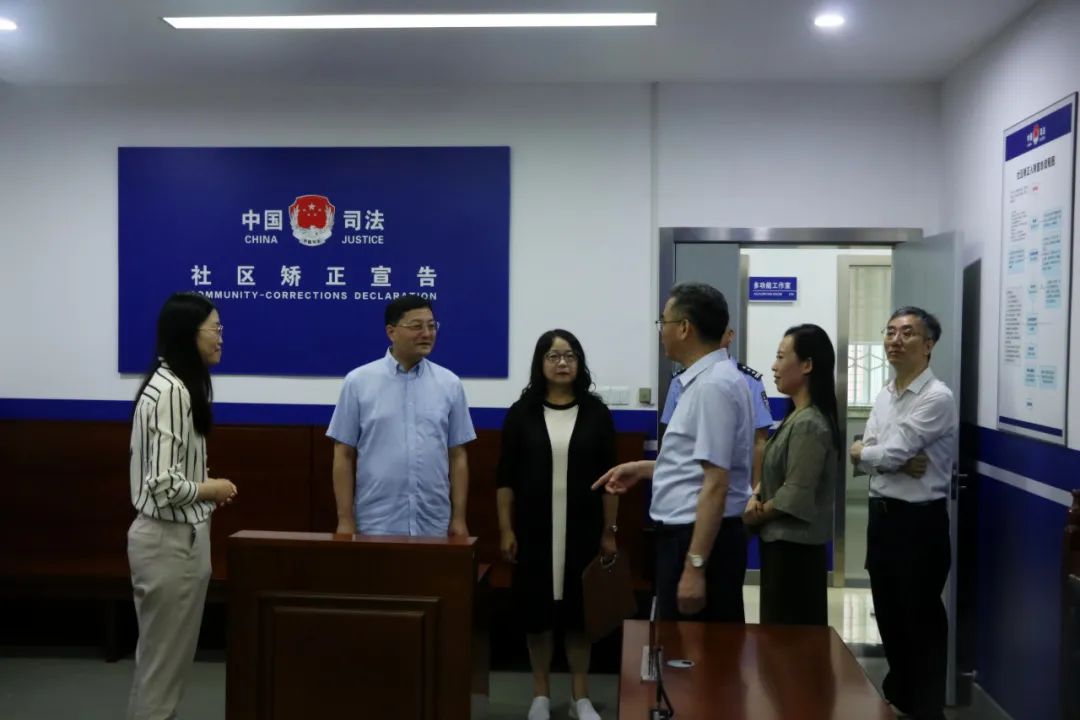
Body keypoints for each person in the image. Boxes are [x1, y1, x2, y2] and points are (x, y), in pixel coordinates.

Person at [594, 283, 753, 622]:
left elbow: (716, 483)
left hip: (697, 539)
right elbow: (695, 466)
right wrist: (641, 468)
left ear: (684, 328)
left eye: (662, 322)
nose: (660, 332)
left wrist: (695, 566)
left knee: (695, 648)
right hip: (690, 536)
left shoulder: (712, 386)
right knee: (682, 645)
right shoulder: (706, 381)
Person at [127, 292, 238, 720]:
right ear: (189, 334)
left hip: (177, 538)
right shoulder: (172, 391)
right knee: (162, 670)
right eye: (215, 328)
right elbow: (162, 484)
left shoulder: (170, 384)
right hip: (169, 543)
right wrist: (211, 488)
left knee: (161, 665)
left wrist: (204, 491)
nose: (221, 337)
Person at [496, 330, 617, 720]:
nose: (562, 363)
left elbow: (612, 480)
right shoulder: (522, 412)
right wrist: (506, 529)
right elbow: (505, 478)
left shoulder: (596, 413)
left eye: (569, 355)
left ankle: (581, 697)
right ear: (540, 363)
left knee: (580, 617)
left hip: (584, 530)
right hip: (533, 531)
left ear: (579, 362)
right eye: (553, 356)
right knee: (538, 617)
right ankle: (541, 696)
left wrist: (609, 531)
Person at [849, 306, 957, 720]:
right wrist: (875, 455)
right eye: (891, 331)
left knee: (920, 620)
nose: (895, 340)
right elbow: (872, 454)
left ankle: (928, 711)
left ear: (928, 346)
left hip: (919, 524)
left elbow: (886, 452)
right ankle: (902, 701)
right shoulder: (885, 392)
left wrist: (872, 454)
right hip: (882, 518)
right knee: (890, 616)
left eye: (907, 333)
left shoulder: (937, 397)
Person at [327, 295, 476, 536]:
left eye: (431, 326)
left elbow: (457, 455)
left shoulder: (450, 384)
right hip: (377, 523)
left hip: (433, 523)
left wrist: (458, 518)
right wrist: (345, 519)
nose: (427, 333)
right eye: (416, 326)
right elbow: (343, 454)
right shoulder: (358, 382)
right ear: (391, 332)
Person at [743, 324, 839, 626]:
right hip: (780, 547)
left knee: (790, 643)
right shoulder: (794, 416)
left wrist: (756, 514)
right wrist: (756, 493)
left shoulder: (809, 423)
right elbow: (775, 472)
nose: (774, 366)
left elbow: (795, 494)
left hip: (795, 553)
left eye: (781, 357)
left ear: (807, 365)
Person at [661, 325, 773, 484]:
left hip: (734, 483)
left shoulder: (749, 380)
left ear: (730, 335)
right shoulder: (680, 380)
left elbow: (759, 442)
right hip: (687, 481)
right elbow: (670, 439)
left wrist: (756, 490)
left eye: (718, 331)